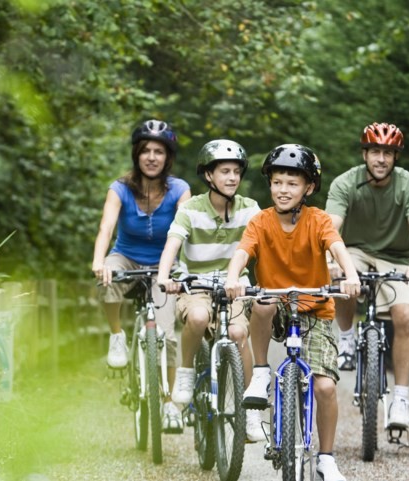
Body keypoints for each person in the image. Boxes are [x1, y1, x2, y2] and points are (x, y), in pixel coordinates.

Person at [224, 144, 361, 481]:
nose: (283, 190)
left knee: (325, 387)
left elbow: (337, 247)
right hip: (278, 305)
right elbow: (242, 254)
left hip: (314, 308)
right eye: (277, 182)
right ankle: (260, 372)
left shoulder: (319, 220)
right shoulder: (261, 221)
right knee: (263, 301)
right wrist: (232, 278)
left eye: (292, 183)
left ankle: (326, 459)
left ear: (309, 188)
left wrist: (351, 274)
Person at [325, 122, 409, 430]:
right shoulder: (346, 183)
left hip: (397, 257)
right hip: (354, 250)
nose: (381, 159)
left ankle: (400, 398)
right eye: (375, 152)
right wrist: (332, 261)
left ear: (396, 157)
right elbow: (331, 227)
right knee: (344, 282)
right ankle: (345, 339)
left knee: (405, 316)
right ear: (364, 153)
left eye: (388, 152)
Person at [156, 139, 263, 440]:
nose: (232, 178)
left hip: (234, 286)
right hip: (195, 285)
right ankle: (187, 374)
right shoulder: (190, 210)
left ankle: (251, 413)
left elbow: (268, 243)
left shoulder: (250, 208)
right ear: (208, 176)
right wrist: (165, 277)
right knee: (199, 317)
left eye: (237, 172)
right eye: (225, 171)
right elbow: (172, 246)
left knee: (240, 334)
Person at [92, 119, 191, 432]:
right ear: (137, 155)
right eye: (146, 150)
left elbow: (186, 231)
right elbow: (106, 227)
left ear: (167, 157)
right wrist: (100, 261)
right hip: (128, 258)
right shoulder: (119, 188)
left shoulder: (179, 189)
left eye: (158, 151)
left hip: (164, 265)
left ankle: (168, 403)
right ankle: (117, 335)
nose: (152, 157)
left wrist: (182, 270)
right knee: (108, 278)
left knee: (167, 335)